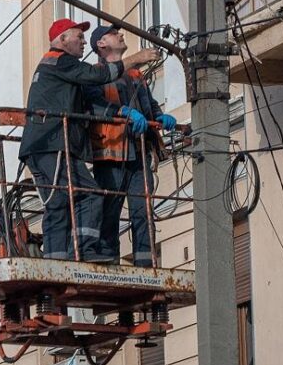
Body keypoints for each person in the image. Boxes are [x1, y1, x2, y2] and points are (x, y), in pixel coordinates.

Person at [19, 18, 159, 262]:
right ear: (63, 39)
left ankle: (57, 261)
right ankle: (84, 250)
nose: (84, 41)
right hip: (57, 145)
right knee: (90, 194)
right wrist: (136, 58)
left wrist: (148, 115)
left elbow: (94, 102)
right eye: (79, 36)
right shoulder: (61, 61)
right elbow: (97, 78)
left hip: (46, 145)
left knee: (59, 202)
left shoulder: (61, 68)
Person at [84, 25, 177, 266]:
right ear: (102, 44)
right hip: (110, 154)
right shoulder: (95, 73)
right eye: (115, 34)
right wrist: (122, 112)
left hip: (138, 152)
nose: (121, 35)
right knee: (110, 211)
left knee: (142, 211)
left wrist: (160, 116)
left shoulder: (135, 75)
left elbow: (150, 105)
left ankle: (145, 262)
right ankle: (108, 261)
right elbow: (94, 104)